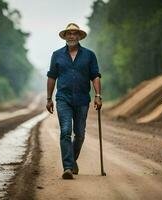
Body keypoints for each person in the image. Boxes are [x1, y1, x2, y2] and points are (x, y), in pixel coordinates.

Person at [46, 23, 102, 179]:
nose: (71, 36)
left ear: (79, 36)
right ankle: (68, 167)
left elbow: (95, 76)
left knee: (80, 135)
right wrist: (49, 98)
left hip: (82, 99)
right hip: (63, 98)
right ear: (65, 36)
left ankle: (72, 160)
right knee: (65, 131)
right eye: (69, 33)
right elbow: (52, 77)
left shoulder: (89, 55)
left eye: (74, 33)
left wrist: (98, 95)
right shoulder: (57, 55)